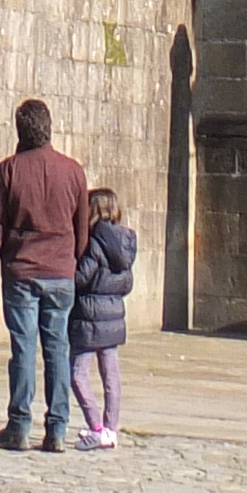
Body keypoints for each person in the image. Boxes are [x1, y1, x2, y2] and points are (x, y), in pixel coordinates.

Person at [0, 98, 90, 452]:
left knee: (23, 349)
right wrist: (70, 261)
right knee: (57, 348)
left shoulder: (7, 171)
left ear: (19, 129)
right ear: (48, 128)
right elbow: (82, 230)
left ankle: (19, 425)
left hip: (22, 270)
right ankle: (57, 429)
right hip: (60, 271)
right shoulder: (73, 172)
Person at [69, 183, 139, 449]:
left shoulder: (95, 241)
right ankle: (110, 428)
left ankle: (96, 426)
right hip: (113, 318)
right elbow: (127, 284)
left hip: (88, 317)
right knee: (111, 377)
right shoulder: (126, 243)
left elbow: (81, 277)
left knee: (77, 373)